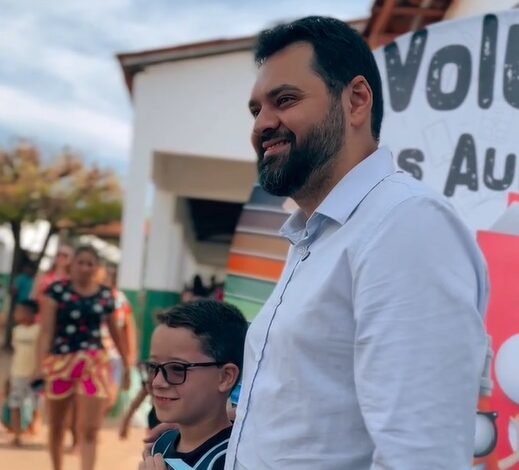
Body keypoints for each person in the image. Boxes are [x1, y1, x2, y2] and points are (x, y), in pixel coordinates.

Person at [223, 16, 488, 469]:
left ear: (357, 100)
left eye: (284, 100)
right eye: (255, 110)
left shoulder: (406, 225)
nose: (263, 124)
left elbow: (421, 457)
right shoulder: (317, 235)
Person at [36, 245, 130, 470]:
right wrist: (40, 365)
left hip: (94, 362)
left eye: (90, 263)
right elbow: (46, 331)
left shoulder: (105, 295)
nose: (85, 267)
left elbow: (116, 332)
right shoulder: (56, 291)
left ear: (96, 267)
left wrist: (127, 364)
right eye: (81, 262)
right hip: (60, 361)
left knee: (89, 428)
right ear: (72, 264)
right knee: (57, 425)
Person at [139, 300, 248, 470]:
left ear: (225, 377)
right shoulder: (162, 444)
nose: (158, 382)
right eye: (153, 367)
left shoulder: (235, 460)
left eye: (177, 368)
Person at [6, 299, 40, 446]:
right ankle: (17, 434)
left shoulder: (39, 330)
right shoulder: (16, 331)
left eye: (20, 311)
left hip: (34, 373)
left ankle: (33, 427)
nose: (17, 314)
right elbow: (16, 353)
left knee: (35, 403)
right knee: (15, 403)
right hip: (17, 372)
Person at [31, 244, 73, 308]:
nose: (61, 258)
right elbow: (33, 297)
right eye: (58, 255)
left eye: (65, 256)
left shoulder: (72, 280)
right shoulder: (43, 277)